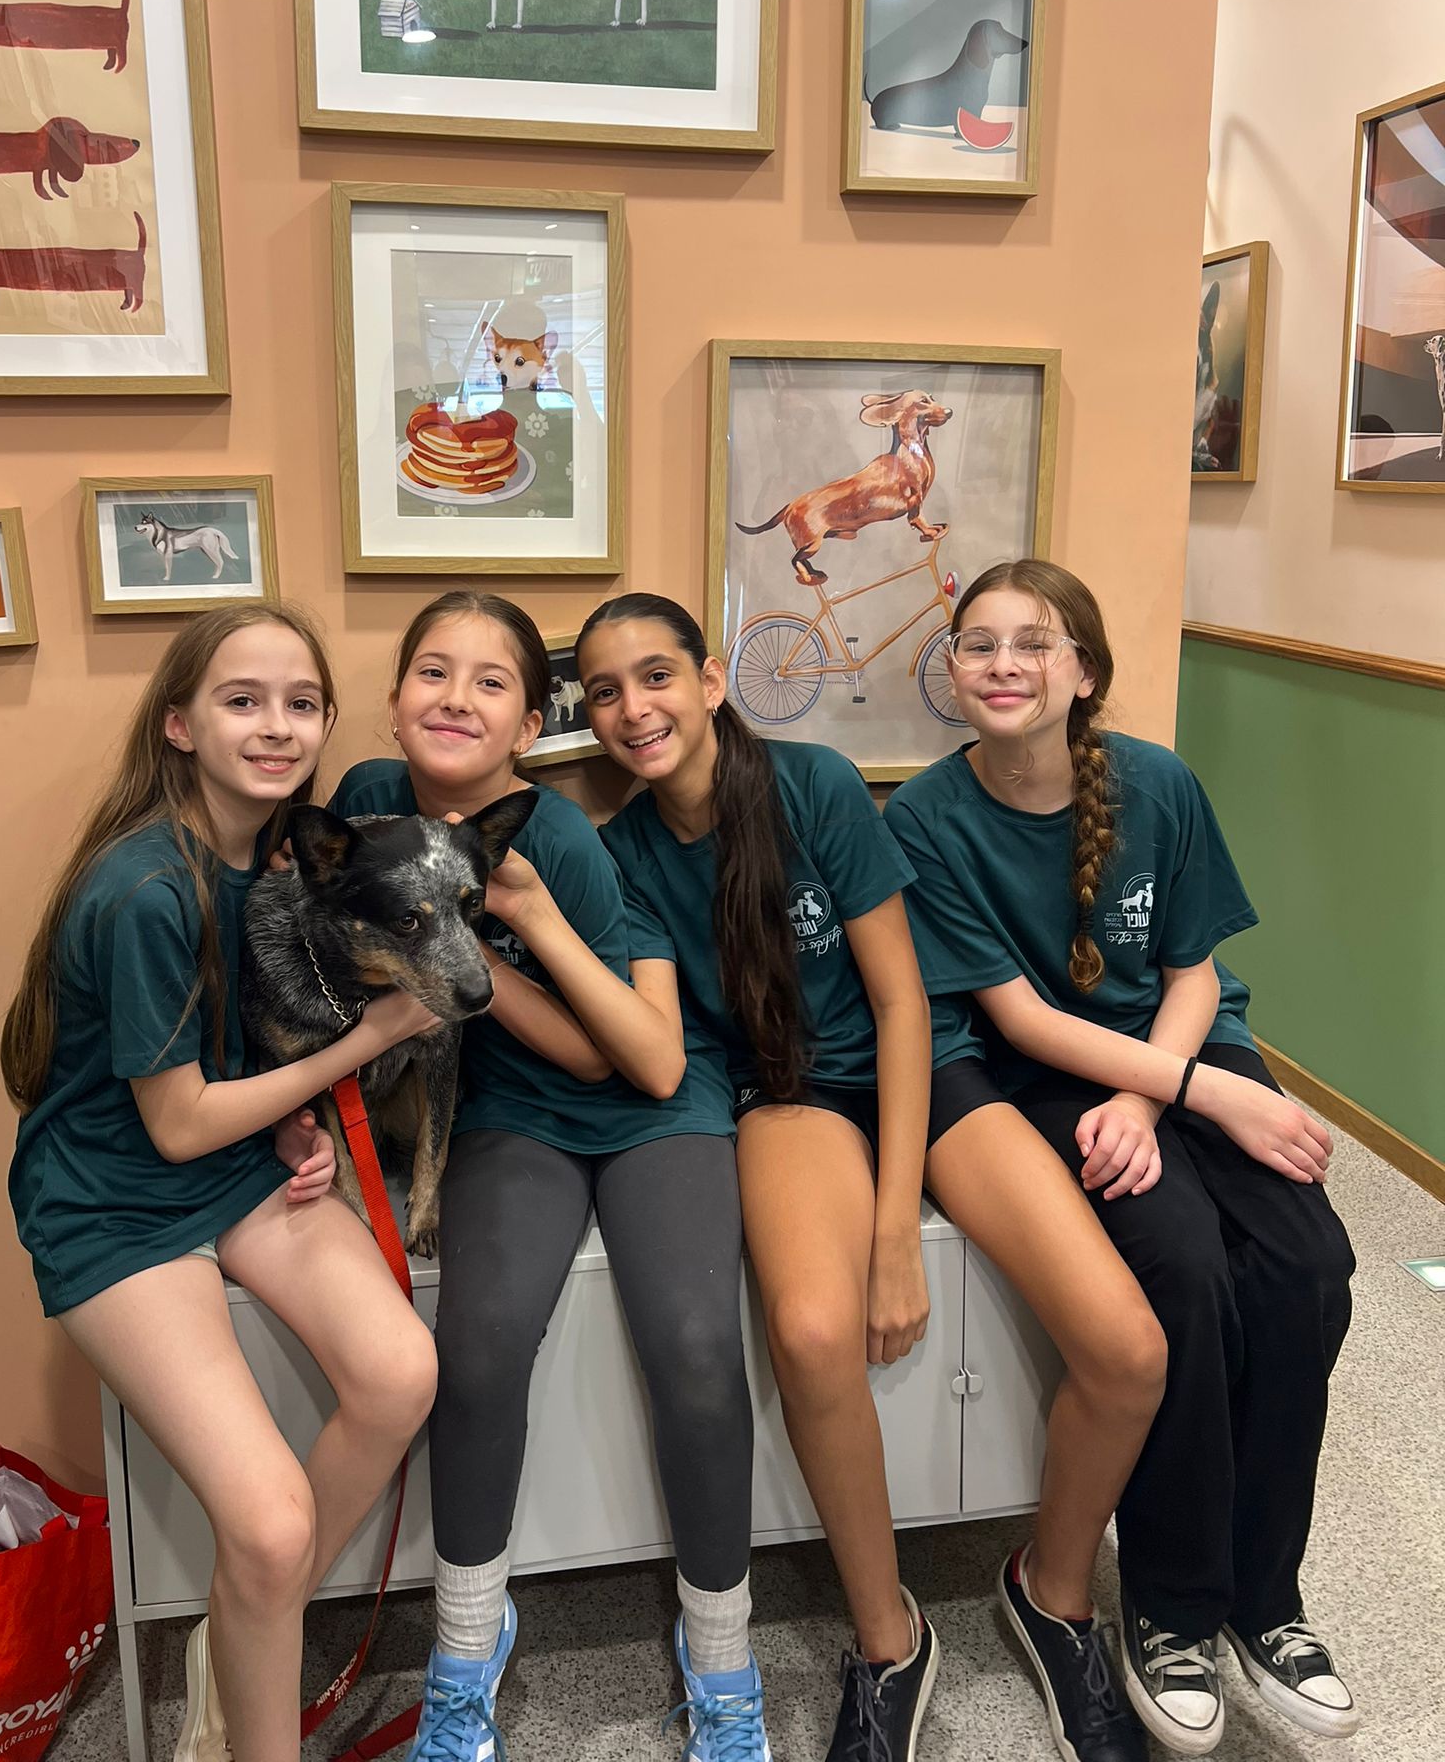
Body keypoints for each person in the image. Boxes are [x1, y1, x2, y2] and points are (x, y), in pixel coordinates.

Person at [886, 558, 1357, 1755]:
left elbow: (1193, 970)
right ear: (953, 669)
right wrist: (1181, 1099)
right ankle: (1174, 1604)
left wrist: (1164, 1099)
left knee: (1310, 1264)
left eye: (1032, 642)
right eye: (978, 643)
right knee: (1183, 1267)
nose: (1002, 664)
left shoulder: (1159, 783)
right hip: (1046, 1071)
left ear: (1083, 671)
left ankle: (1267, 1595)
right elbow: (1020, 1019)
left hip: (1179, 1051)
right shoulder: (926, 818)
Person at [330, 591, 767, 1762]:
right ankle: (465, 1656)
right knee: (474, 1349)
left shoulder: (558, 839)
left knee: (697, 1348)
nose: (454, 697)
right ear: (393, 698)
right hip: (512, 1113)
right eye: (432, 670)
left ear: (529, 725)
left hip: (648, 1105)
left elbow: (626, 1057)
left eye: (491, 681)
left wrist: (481, 940)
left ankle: (724, 1665)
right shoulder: (365, 802)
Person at [3, 604, 439, 1762]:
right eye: (243, 700)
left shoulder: (284, 861)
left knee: (402, 1370)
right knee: (271, 1520)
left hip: (231, 1164)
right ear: (180, 724)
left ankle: (247, 1617)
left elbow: (235, 1051)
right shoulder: (147, 887)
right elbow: (178, 1118)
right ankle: (257, 1638)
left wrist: (300, 1119)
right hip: (114, 1204)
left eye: (302, 702)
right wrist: (368, 1041)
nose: (276, 725)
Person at [577, 592, 953, 1762]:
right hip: (782, 1093)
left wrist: (896, 1232)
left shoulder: (815, 784)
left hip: (897, 1067)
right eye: (604, 691)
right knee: (808, 1326)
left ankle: (931, 1629)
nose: (634, 708)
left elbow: (901, 1002)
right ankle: (893, 1639)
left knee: (1102, 1318)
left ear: (709, 681)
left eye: (656, 675)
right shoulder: (623, 853)